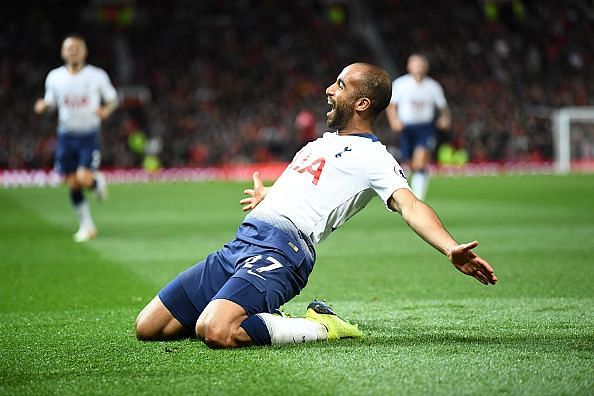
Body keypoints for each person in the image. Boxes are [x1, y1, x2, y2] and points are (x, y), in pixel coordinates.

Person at [135, 63, 496, 348]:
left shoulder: (375, 157)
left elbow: (411, 205)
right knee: (149, 327)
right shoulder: (316, 145)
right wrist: (269, 200)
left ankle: (320, 325)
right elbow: (303, 191)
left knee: (215, 329)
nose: (328, 90)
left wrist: (450, 247)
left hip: (283, 252)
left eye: (339, 85)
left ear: (362, 103)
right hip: (243, 242)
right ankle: (256, 313)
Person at [34, 34, 119, 242]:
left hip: (88, 135)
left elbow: (113, 98)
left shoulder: (96, 75)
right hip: (66, 135)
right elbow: (51, 102)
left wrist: (106, 110)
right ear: (63, 52)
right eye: (69, 47)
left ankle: (96, 182)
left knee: (82, 177)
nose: (73, 50)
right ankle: (87, 226)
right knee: (71, 182)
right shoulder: (54, 77)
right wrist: (43, 106)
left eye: (77, 47)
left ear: (84, 51)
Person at [386, 54, 451, 200]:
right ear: (409, 66)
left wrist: (445, 118)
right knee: (408, 163)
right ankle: (407, 194)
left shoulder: (433, 86)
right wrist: (394, 121)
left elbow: (443, 107)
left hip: (425, 128)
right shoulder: (401, 84)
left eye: (420, 64)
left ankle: (418, 198)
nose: (418, 67)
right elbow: (391, 105)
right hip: (406, 128)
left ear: (426, 67)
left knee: (420, 161)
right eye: (414, 64)